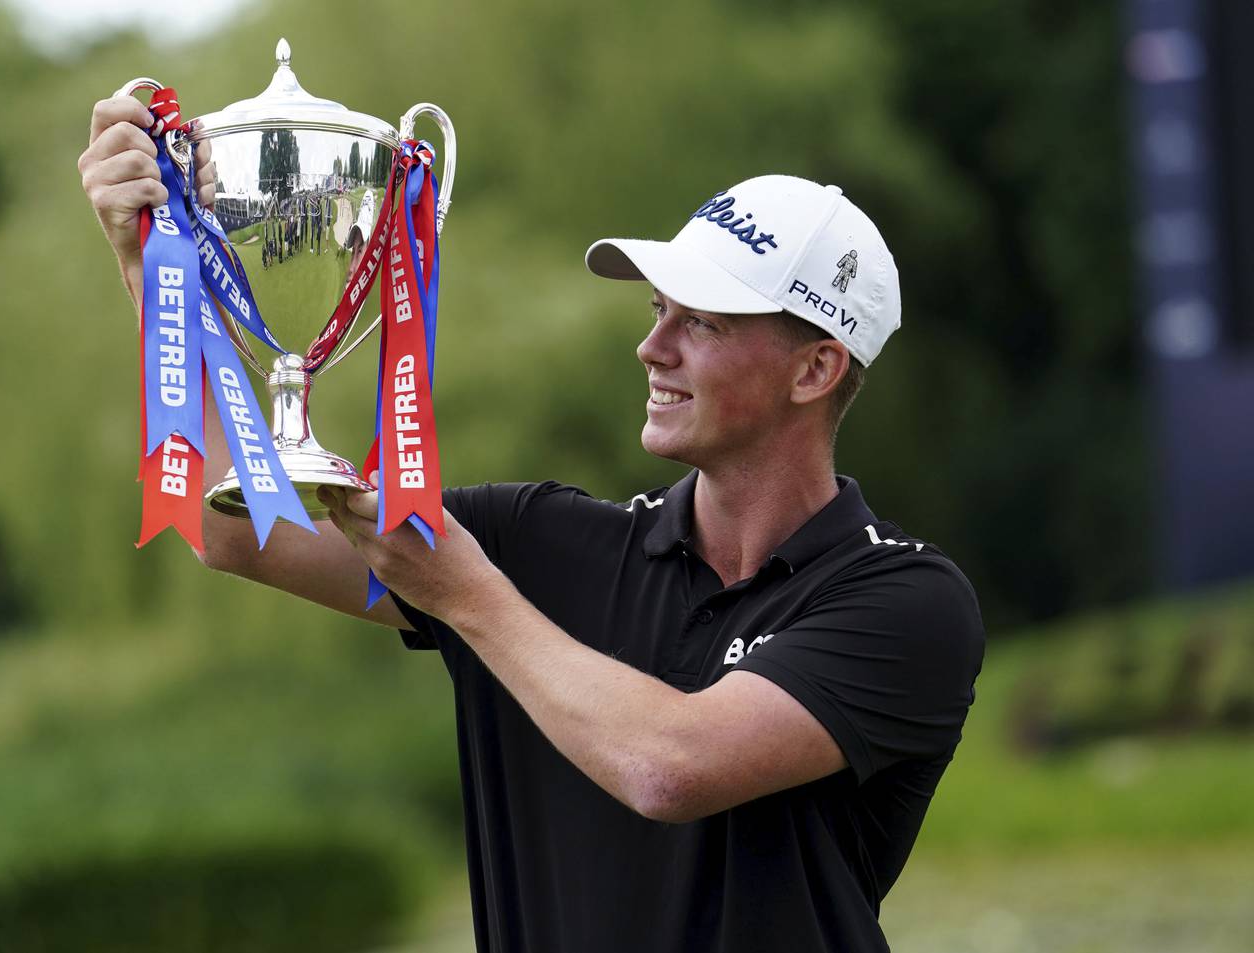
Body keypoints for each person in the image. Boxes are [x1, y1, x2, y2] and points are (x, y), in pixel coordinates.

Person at [79, 96, 985, 953]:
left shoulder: (906, 600)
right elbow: (239, 526)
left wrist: (466, 596)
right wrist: (153, 267)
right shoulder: (541, 541)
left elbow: (672, 766)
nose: (652, 346)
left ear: (816, 369)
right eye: (656, 309)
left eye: (701, 322)